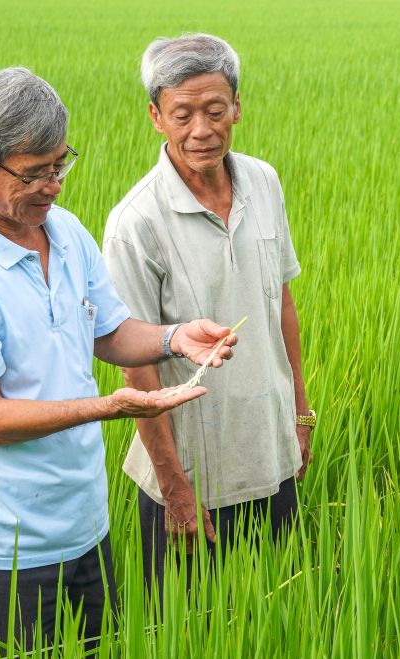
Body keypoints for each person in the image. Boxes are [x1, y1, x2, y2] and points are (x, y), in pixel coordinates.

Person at [0, 67, 238, 658]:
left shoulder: (65, 231)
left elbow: (109, 331)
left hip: (86, 529)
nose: (54, 185)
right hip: (4, 552)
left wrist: (176, 339)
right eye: (35, 173)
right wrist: (111, 407)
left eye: (61, 164)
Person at [102, 34, 315, 588]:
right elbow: (135, 364)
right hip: (192, 475)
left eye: (215, 110)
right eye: (183, 113)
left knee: (277, 614)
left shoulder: (263, 182)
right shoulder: (136, 222)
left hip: (270, 456)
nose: (202, 129)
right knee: (191, 629)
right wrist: (174, 487)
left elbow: (281, 301)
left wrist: (299, 414)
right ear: (155, 117)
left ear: (237, 108)